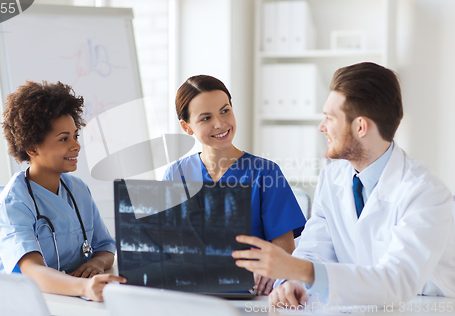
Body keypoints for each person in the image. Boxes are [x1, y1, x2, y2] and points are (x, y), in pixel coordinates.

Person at [232, 62, 455, 307]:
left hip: (426, 308)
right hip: (360, 306)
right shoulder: (332, 178)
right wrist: (294, 282)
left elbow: (396, 281)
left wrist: (301, 269)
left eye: (329, 118)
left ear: (360, 126)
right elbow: (314, 249)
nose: (322, 127)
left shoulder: (425, 193)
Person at [163, 75, 306, 295]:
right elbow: (164, 243)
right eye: (205, 118)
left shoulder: (265, 173)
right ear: (187, 127)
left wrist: (268, 270)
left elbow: (285, 248)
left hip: (250, 292)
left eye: (225, 110)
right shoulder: (176, 175)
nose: (220, 124)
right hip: (191, 291)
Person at [0, 81, 126, 302]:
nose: (76, 145)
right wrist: (84, 287)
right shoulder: (13, 204)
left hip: (67, 299)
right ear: (32, 147)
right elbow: (32, 271)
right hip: (16, 303)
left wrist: (96, 263)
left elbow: (105, 246)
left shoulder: (79, 190)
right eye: (64, 139)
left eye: (75, 136)